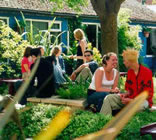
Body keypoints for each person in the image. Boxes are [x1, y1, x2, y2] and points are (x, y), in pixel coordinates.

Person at [100, 48, 154, 116]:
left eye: (124, 61)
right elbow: (129, 90)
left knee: (136, 105)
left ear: (130, 62)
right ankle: (103, 118)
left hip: (142, 101)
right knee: (109, 98)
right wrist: (125, 94)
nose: (123, 62)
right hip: (129, 99)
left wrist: (132, 101)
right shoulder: (130, 73)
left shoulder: (147, 72)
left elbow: (147, 95)